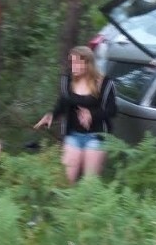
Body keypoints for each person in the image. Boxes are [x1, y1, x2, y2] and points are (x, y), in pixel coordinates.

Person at [34, 45, 117, 184]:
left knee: (90, 185)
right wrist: (52, 115)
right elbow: (63, 103)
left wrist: (92, 115)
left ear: (88, 63)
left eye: (78, 62)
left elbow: (112, 110)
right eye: (72, 62)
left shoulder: (104, 83)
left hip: (96, 137)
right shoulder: (67, 81)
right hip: (73, 135)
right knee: (65, 182)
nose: (74, 66)